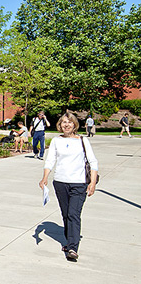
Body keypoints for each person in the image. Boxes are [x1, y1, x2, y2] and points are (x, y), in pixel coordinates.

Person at [39, 112, 98, 261]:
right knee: (66, 214)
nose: (67, 124)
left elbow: (93, 162)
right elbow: (50, 160)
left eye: (70, 122)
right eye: (64, 122)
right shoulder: (56, 141)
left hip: (79, 184)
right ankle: (70, 240)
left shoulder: (83, 141)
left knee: (73, 214)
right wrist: (45, 177)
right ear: (60, 125)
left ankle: (72, 247)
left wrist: (92, 183)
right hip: (60, 182)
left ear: (74, 125)